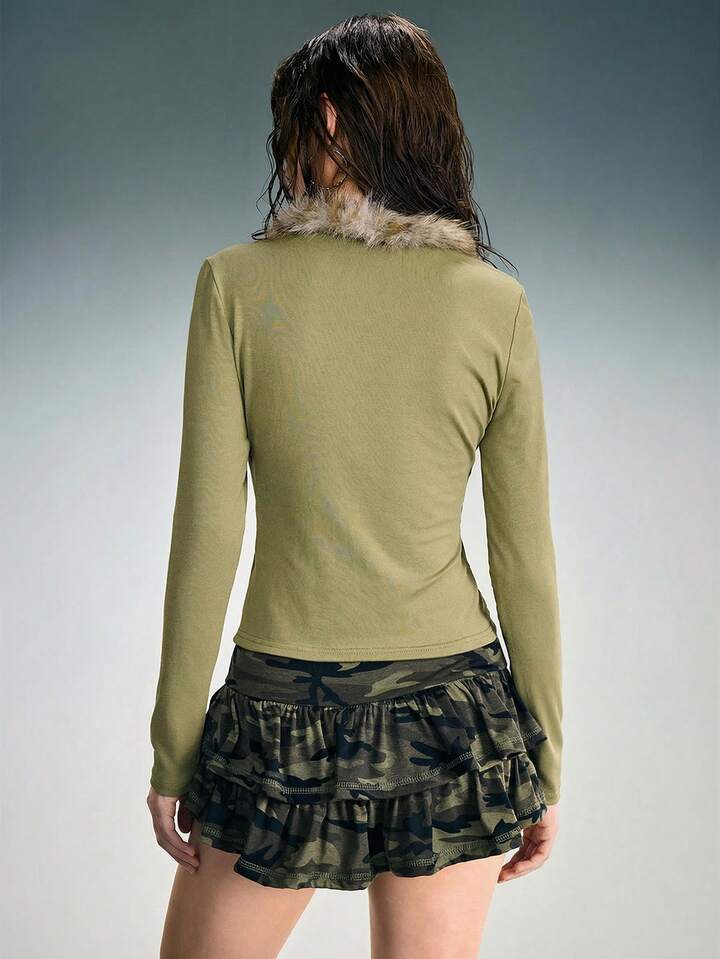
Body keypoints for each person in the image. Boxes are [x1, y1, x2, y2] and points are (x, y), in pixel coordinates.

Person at [147, 13, 563, 959]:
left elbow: (207, 531)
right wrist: (542, 754)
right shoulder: (495, 303)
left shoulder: (235, 285)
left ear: (327, 120)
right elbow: (524, 558)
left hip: (278, 712)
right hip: (454, 716)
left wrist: (174, 745)